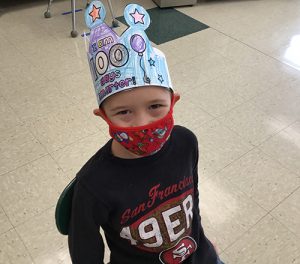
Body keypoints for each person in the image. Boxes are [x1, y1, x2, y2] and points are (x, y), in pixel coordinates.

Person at [68, 1, 224, 264]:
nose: (142, 123)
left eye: (155, 106)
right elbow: (85, 252)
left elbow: (192, 200)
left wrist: (200, 240)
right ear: (103, 116)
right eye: (124, 112)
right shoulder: (93, 184)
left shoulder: (186, 142)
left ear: (173, 101)